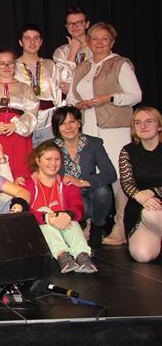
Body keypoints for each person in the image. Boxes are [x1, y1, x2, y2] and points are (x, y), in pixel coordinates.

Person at [67, 22, 142, 245]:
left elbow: (136, 95)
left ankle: (121, 227)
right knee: (91, 178)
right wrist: (78, 105)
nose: (99, 43)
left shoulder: (120, 64)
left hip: (115, 129)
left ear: (112, 42)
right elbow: (71, 97)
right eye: (95, 39)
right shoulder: (83, 67)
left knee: (118, 178)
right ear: (89, 42)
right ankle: (91, 226)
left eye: (104, 39)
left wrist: (109, 98)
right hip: (89, 130)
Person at [21, 142, 97, 273]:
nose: (53, 163)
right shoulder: (26, 184)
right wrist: (46, 217)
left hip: (64, 229)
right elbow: (24, 212)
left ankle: (82, 255)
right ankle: (63, 254)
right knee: (44, 210)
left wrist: (68, 215)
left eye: (57, 159)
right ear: (38, 161)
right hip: (37, 233)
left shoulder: (67, 183)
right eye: (48, 159)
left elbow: (78, 206)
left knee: (70, 218)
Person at [52, 106, 116, 250]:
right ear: (57, 127)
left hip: (90, 189)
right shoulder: (50, 146)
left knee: (103, 191)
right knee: (83, 207)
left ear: (79, 123)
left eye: (72, 122)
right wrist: (61, 179)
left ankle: (97, 226)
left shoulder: (94, 143)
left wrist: (82, 182)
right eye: (62, 123)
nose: (68, 127)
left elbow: (110, 173)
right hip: (69, 194)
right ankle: (79, 223)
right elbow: (45, 173)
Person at [0, 49, 39, 180]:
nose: (7, 67)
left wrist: (16, 125)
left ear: (15, 65)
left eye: (10, 63)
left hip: (18, 135)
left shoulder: (25, 88)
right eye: (2, 64)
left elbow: (33, 110)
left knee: (20, 170)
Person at [119, 107, 162, 263]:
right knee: (142, 256)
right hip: (139, 206)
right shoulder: (127, 151)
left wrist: (152, 192)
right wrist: (140, 197)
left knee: (152, 213)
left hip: (154, 204)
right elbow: (127, 183)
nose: (143, 126)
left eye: (149, 121)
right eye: (138, 122)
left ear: (159, 126)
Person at [14, 25, 63, 144]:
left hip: (49, 120)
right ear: (20, 42)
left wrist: (59, 117)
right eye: (27, 38)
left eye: (36, 38)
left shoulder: (50, 65)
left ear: (41, 42)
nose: (32, 42)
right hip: (24, 120)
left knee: (50, 153)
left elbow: (58, 91)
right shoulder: (12, 66)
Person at [53, 6, 93, 96]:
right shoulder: (61, 51)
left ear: (87, 24)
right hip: (70, 102)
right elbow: (63, 82)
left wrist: (72, 88)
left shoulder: (97, 48)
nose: (74, 26)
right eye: (70, 23)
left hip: (93, 98)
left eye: (78, 23)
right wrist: (72, 52)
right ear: (66, 26)